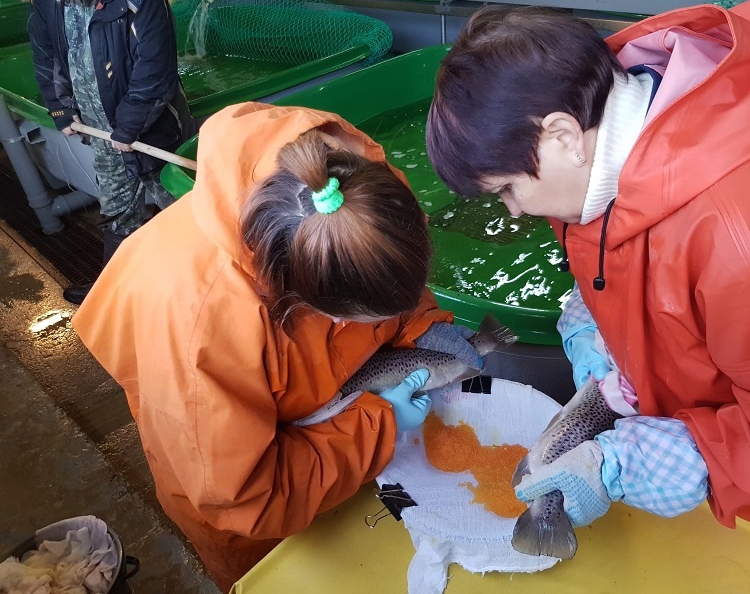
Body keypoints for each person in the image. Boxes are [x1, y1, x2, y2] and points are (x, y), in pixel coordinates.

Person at [426, 0, 750, 541]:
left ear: (561, 136)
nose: (513, 211)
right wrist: (604, 323)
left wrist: (663, 460)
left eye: (506, 189)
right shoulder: (600, 137)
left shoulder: (744, 245)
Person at [70, 102, 483, 590]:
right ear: (305, 301)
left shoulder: (351, 187)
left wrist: (423, 328)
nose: (385, 320)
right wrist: (380, 424)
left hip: (335, 423)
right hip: (248, 493)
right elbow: (250, 499)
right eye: (366, 317)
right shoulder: (197, 327)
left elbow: (387, 277)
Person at [28, 0, 195, 304]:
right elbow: (46, 56)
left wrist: (129, 126)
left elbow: (156, 68)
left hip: (155, 130)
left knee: (182, 204)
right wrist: (60, 109)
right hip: (103, 134)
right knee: (116, 205)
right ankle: (115, 287)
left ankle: (202, 287)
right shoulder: (47, 1)